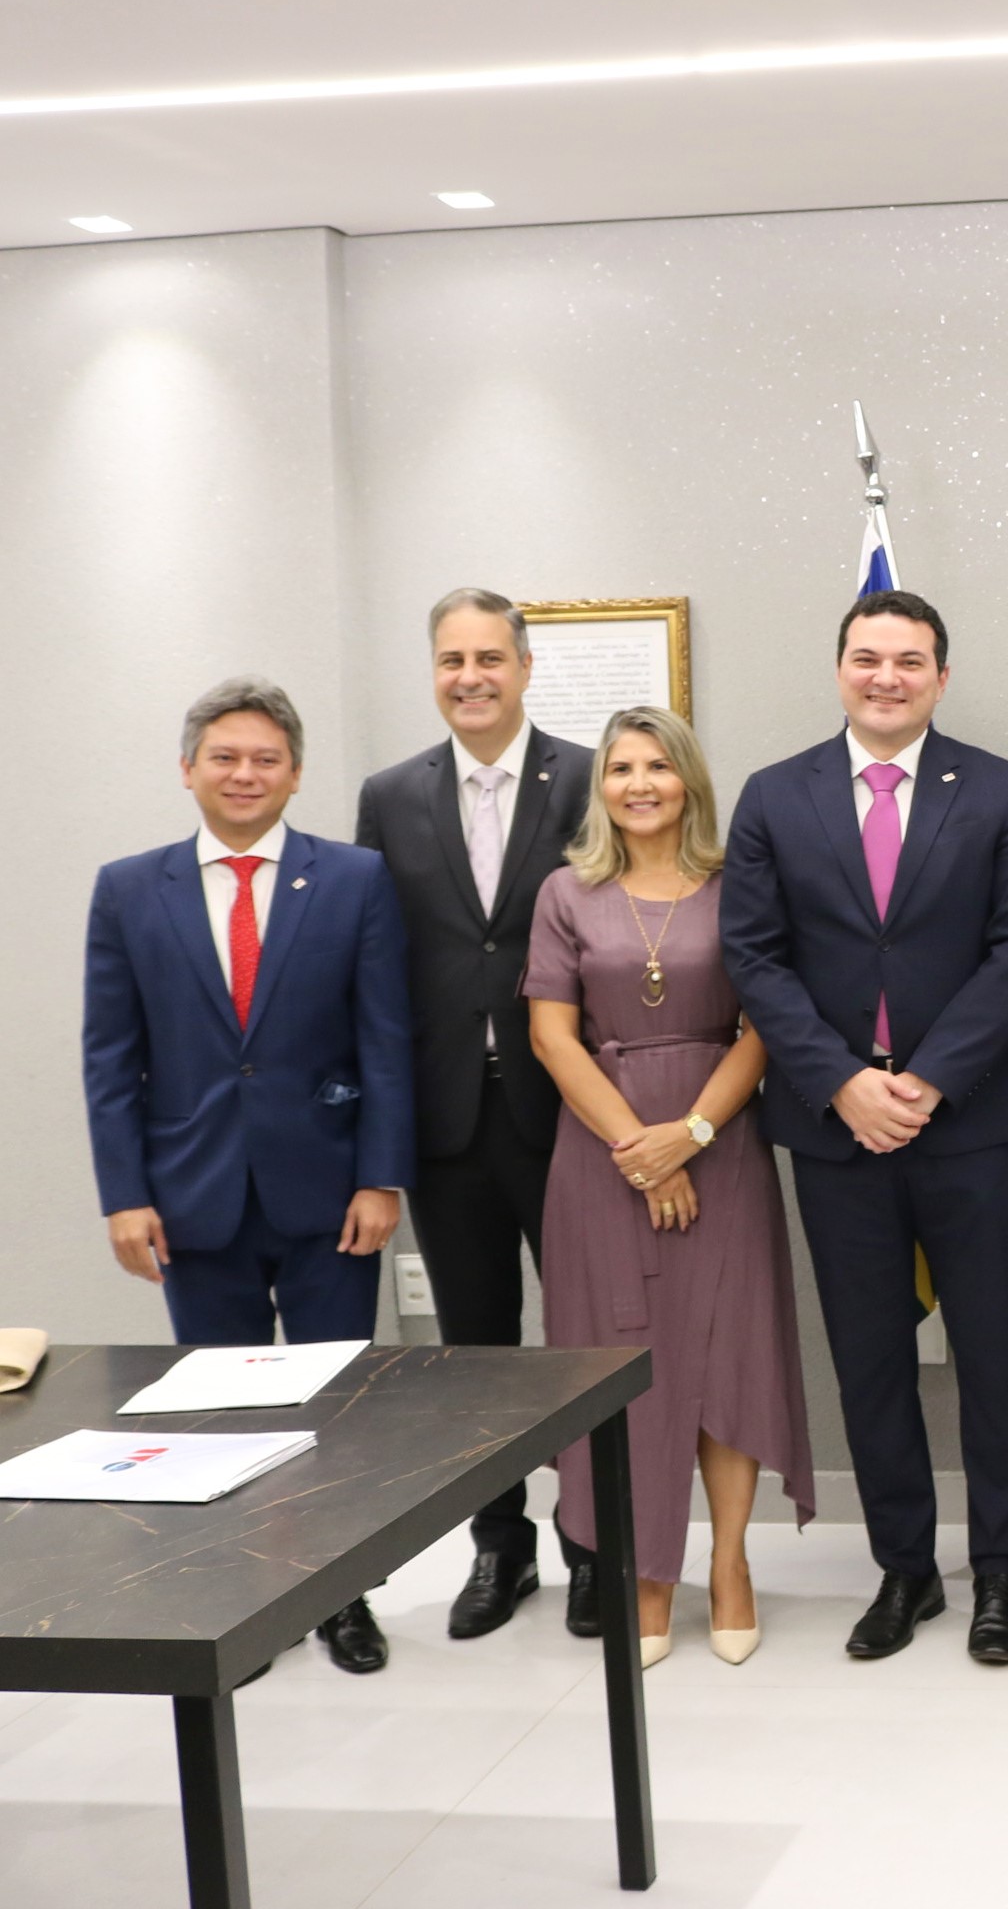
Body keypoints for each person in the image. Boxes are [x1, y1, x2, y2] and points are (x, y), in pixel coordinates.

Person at [719, 588, 1008, 1664]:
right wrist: (840, 1081)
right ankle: (904, 1569)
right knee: (870, 1361)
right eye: (868, 657)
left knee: (996, 1358)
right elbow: (754, 954)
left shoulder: (999, 790)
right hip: (836, 1130)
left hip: (973, 1123)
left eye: (910, 660)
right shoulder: (775, 796)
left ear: (941, 678)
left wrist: (929, 1080)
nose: (887, 677)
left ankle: (998, 1572)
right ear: (840, 669)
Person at [83, 677, 412, 1675]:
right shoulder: (129, 888)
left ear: (295, 774)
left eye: (266, 758)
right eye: (224, 757)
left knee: (333, 1407)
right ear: (188, 768)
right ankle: (241, 1599)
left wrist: (382, 1177)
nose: (244, 774)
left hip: (330, 1194)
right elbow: (110, 1058)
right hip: (191, 1198)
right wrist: (124, 1195)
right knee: (218, 1415)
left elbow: (385, 1039)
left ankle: (344, 1597)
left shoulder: (352, 878)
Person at [526, 707, 814, 1668]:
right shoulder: (566, 893)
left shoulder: (742, 886)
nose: (639, 784)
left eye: (657, 766)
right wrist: (639, 1153)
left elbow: (766, 1026)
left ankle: (729, 1564)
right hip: (601, 1156)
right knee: (626, 1370)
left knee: (731, 1360)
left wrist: (688, 1138)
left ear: (688, 780)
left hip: (721, 1142)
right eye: (620, 769)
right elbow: (551, 1037)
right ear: (600, 788)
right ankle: (647, 1572)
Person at [354, 587, 600, 1642]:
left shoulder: (589, 776)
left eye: (490, 658)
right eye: (452, 660)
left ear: (525, 667)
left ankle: (594, 1546)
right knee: (474, 1350)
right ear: (434, 672)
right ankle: (501, 1547)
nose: (471, 677)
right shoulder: (389, 795)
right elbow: (374, 966)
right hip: (446, 1119)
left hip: (569, 1109)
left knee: (582, 1341)